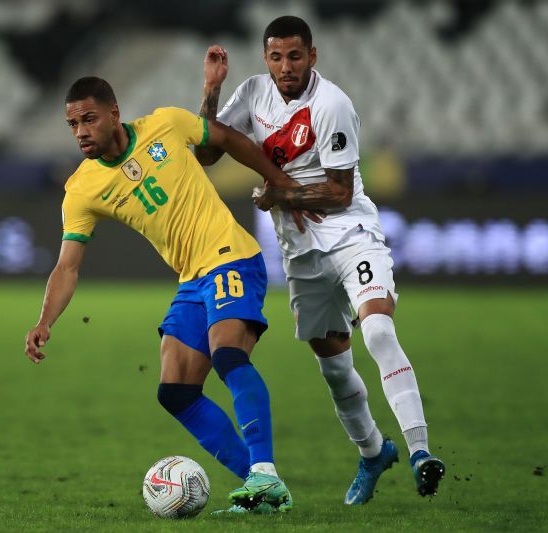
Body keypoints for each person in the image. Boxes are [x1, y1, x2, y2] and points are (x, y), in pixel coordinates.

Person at [24, 76, 305, 513]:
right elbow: (67, 265)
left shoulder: (167, 124)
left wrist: (279, 181)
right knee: (176, 391)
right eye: (72, 124)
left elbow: (227, 138)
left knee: (228, 355)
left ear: (114, 113)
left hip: (231, 256)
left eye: (89, 119)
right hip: (192, 279)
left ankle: (264, 473)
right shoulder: (81, 189)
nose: (80, 131)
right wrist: (45, 321)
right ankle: (262, 490)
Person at [194, 16, 445, 504]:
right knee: (334, 367)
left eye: (294, 56)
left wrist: (276, 197)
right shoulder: (251, 93)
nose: (285, 67)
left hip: (351, 236)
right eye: (275, 57)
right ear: (265, 58)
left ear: (313, 56)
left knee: (377, 330)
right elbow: (207, 151)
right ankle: (374, 452)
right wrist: (210, 90)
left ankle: (420, 451)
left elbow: (339, 190)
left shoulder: (332, 104)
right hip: (301, 255)